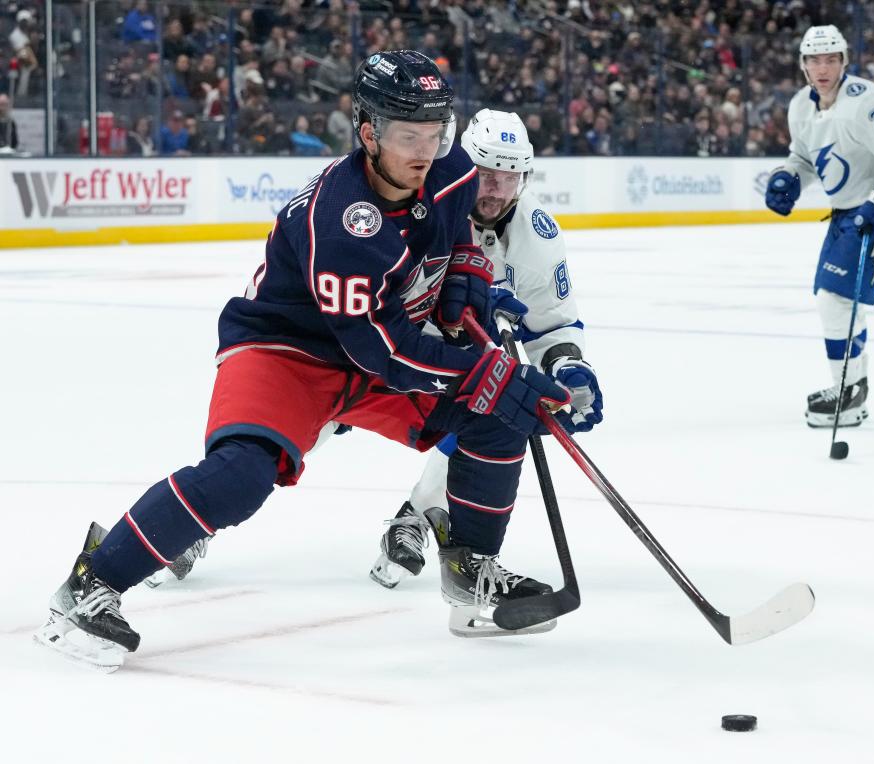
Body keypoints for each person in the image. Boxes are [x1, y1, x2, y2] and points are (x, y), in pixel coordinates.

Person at [35, 51, 571, 672]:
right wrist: (485, 371)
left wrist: (469, 267)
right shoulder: (342, 223)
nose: (425, 150)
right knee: (242, 476)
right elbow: (386, 352)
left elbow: (452, 222)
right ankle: (90, 583)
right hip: (285, 350)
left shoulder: (451, 166)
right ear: (368, 133)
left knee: (494, 417)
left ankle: (471, 574)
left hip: (368, 347)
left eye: (434, 133)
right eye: (407, 136)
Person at [370, 109, 604, 589]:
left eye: (508, 176)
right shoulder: (423, 205)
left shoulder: (537, 235)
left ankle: (418, 516)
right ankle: (203, 519)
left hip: (447, 361)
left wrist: (568, 366)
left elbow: (553, 324)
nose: (495, 188)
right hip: (383, 342)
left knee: (492, 403)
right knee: (311, 421)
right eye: (486, 174)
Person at [764, 25, 874, 428]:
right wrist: (789, 177)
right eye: (815, 60)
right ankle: (854, 386)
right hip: (845, 214)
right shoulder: (801, 106)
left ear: (844, 61)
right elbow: (802, 157)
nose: (823, 68)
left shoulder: (866, 102)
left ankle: (848, 393)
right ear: (803, 65)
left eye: (831, 59)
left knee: (833, 301)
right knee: (837, 301)